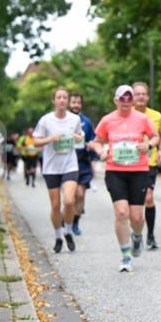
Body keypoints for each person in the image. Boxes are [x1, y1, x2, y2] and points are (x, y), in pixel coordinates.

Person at [89, 85, 158, 272]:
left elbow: (155, 137)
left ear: (133, 100)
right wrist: (100, 150)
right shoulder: (107, 120)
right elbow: (97, 141)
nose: (126, 102)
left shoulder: (142, 119)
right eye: (122, 98)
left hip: (139, 171)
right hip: (115, 171)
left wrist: (148, 145)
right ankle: (125, 256)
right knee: (121, 212)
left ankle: (137, 235)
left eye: (129, 98)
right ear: (116, 100)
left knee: (136, 217)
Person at [32, 87, 85, 254]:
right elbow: (35, 142)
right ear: (54, 101)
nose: (62, 100)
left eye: (65, 97)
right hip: (51, 167)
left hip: (70, 165)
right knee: (55, 206)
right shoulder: (46, 120)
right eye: (59, 97)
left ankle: (68, 231)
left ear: (68, 101)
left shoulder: (74, 119)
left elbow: (80, 136)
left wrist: (78, 137)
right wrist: (50, 139)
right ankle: (58, 236)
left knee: (69, 201)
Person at [133, 82, 161, 250]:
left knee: (148, 198)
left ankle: (151, 236)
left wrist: (160, 149)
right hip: (130, 164)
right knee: (134, 203)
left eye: (143, 94)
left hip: (149, 163)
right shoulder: (126, 115)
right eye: (137, 94)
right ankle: (136, 233)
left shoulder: (156, 116)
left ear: (147, 96)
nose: (140, 97)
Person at [69, 92, 97, 236]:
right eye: (73, 102)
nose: (76, 105)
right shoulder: (62, 120)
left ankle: (75, 222)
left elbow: (93, 139)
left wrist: (90, 146)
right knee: (70, 196)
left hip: (83, 163)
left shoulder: (86, 121)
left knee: (80, 194)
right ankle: (67, 219)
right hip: (67, 163)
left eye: (78, 103)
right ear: (69, 103)